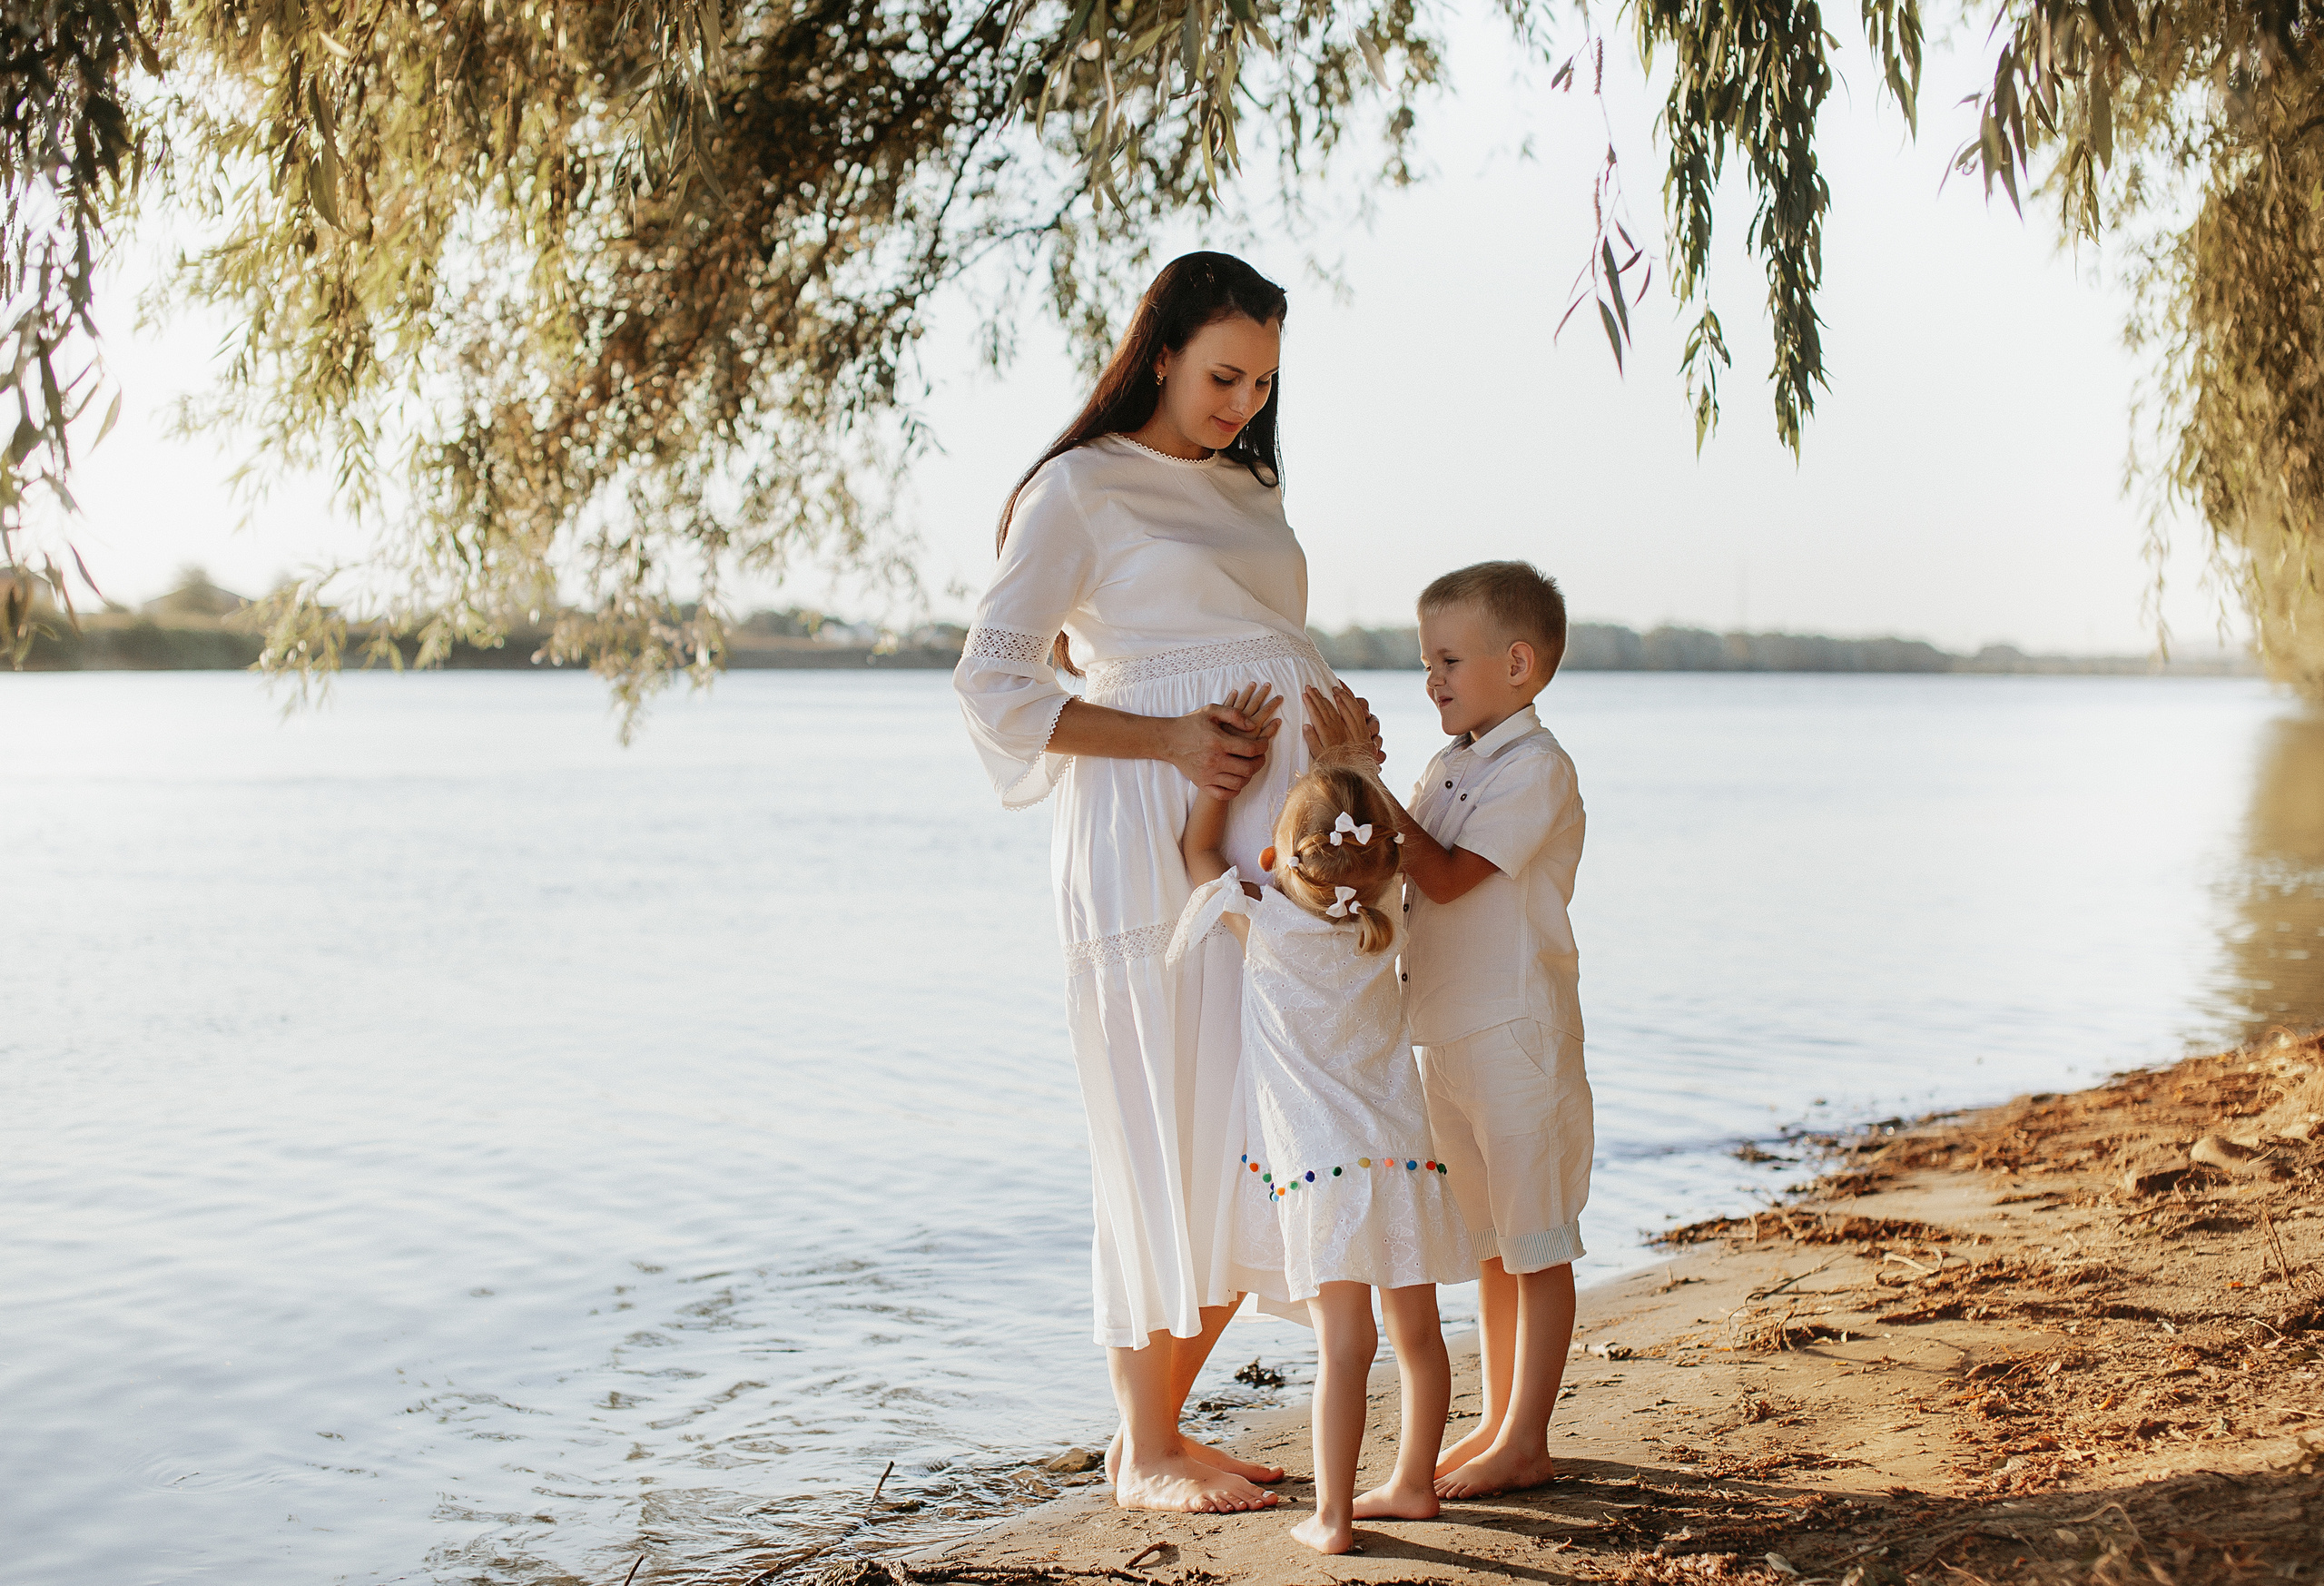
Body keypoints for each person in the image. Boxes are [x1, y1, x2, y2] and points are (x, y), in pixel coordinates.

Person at [953, 252, 1378, 1513]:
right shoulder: (1077, 489)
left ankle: (1159, 1431)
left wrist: (1340, 765)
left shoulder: (1250, 482)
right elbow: (995, 680)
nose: (1244, 401)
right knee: (1171, 1120)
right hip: (1152, 829)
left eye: (1264, 381)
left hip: (1279, 844)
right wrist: (1177, 741)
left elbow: (1257, 639)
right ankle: (1142, 1445)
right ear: (1160, 355)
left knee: (1270, 1122)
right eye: (1223, 374)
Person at [1302, 559, 1590, 1499]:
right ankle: (1500, 1421)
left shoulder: (1538, 769)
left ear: (1517, 662)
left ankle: (1527, 1437)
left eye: (1449, 660)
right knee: (1490, 1245)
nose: (1432, 679)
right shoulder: (1451, 763)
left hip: (1513, 1032)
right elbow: (1393, 864)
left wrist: (1364, 776)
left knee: (1536, 1237)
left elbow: (1453, 872)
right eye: (1426, 660)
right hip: (1441, 1035)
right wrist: (1339, 799)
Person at [1167, 710, 1472, 1553]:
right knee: (1419, 1336)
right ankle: (1413, 1483)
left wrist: (1210, 789)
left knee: (1345, 1348)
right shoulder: (1390, 923)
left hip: (1322, 1173)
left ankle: (1334, 1516)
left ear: (1275, 857)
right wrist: (1356, 763)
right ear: (1384, 863)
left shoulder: (1262, 922)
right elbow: (1378, 860)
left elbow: (1198, 858)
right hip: (1405, 1159)